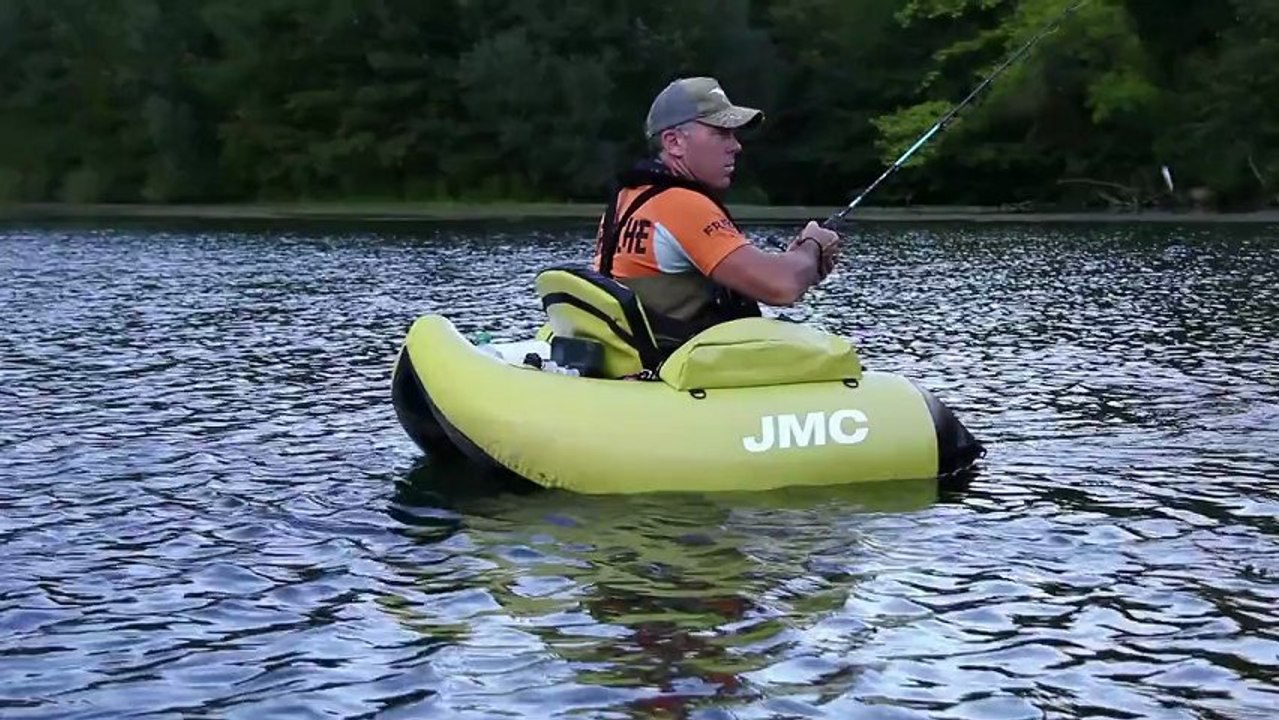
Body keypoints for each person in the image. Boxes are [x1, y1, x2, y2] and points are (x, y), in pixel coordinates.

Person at [592, 76, 841, 351]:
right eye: (721, 133)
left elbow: (762, 275)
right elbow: (781, 286)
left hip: (643, 359)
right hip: (675, 371)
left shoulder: (629, 197)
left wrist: (800, 265)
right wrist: (812, 247)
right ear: (674, 142)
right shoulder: (681, 204)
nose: (736, 146)